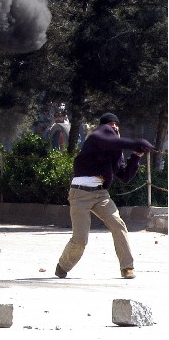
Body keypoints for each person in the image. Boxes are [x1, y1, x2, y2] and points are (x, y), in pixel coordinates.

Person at [55, 112, 154, 279]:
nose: (114, 127)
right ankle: (63, 266)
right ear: (103, 127)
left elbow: (124, 175)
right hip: (80, 194)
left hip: (101, 195)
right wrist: (137, 142)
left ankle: (127, 268)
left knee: (118, 224)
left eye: (116, 124)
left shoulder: (116, 152)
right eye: (111, 124)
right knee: (80, 240)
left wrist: (136, 157)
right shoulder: (97, 136)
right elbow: (113, 140)